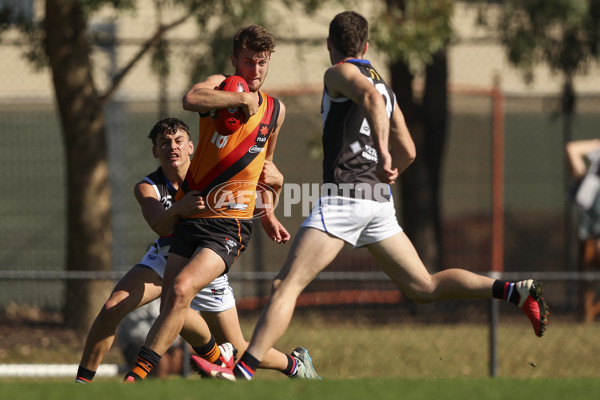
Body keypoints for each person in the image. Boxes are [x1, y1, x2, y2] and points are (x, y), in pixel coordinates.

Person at [193, 11, 550, 381]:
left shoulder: (338, 73)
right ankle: (512, 291)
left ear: (330, 45)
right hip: (377, 202)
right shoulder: (386, 86)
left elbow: (369, 102)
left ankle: (243, 370)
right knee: (423, 286)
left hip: (345, 197)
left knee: (286, 285)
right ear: (366, 46)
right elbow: (408, 150)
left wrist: (381, 151)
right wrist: (385, 167)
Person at [122, 25, 319, 382]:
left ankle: (134, 378)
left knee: (181, 290)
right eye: (248, 61)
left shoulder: (276, 110)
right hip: (194, 215)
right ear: (234, 60)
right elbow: (191, 99)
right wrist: (239, 99)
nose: (255, 70)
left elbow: (264, 167)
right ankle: (287, 364)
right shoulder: (222, 85)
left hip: (231, 223)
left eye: (262, 62)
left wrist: (268, 212)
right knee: (179, 305)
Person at [76, 118, 317, 383]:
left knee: (236, 348)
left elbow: (254, 195)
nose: (172, 147)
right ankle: (83, 384)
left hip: (207, 262)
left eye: (179, 141)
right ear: (155, 151)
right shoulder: (148, 186)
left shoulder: (213, 174)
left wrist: (278, 185)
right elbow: (159, 225)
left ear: (191, 147)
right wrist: (180, 208)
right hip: (166, 259)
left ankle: (294, 364)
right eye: (164, 143)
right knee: (113, 307)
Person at [565, 139, 600, 321]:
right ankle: (587, 316)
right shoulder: (588, 182)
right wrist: (596, 144)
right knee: (585, 280)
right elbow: (572, 149)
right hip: (589, 239)